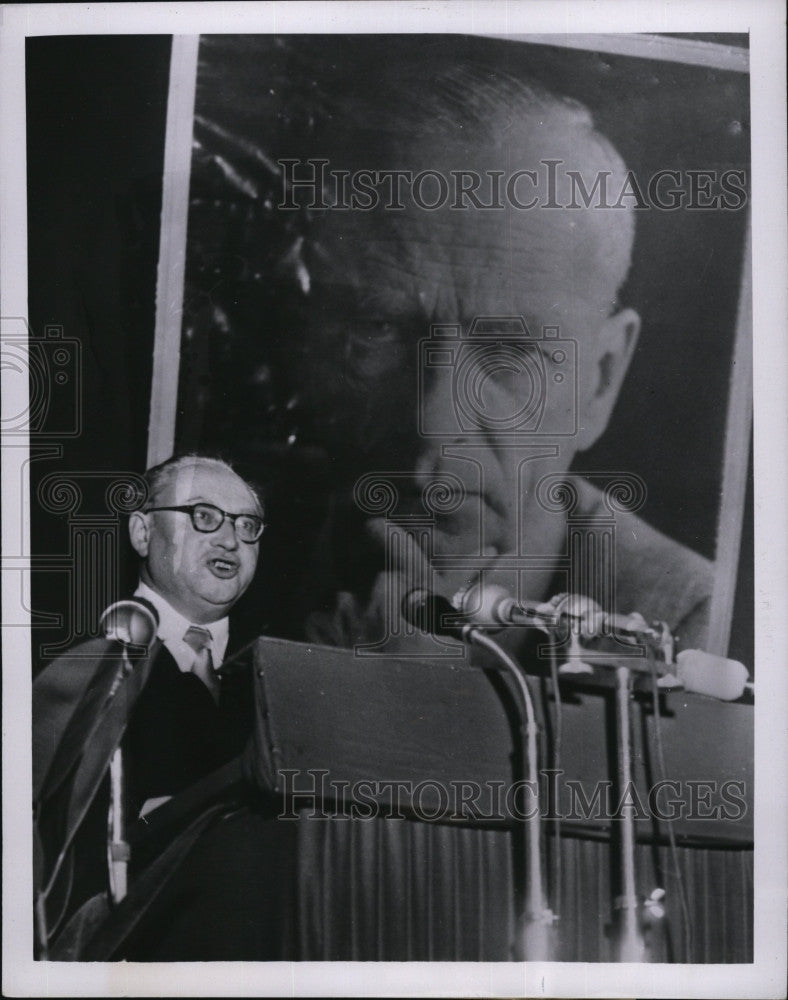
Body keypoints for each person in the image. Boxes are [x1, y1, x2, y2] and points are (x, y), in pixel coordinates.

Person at [257, 65, 715, 659]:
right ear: (310, 346)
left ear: (601, 382)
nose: (434, 426)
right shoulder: (215, 557)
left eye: (509, 350)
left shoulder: (689, 626)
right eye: (380, 329)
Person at [32, 454, 290, 959]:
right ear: (143, 533)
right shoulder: (89, 662)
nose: (230, 539)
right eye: (204, 516)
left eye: (248, 525)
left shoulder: (269, 690)